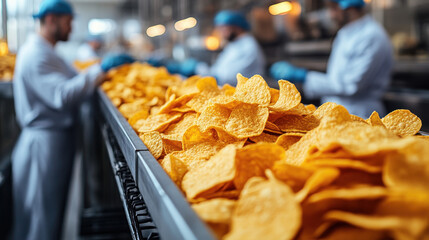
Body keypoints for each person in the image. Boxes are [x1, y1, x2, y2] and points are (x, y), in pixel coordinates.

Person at [12, 1, 134, 239]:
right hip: (43, 146)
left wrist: (99, 70)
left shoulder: (47, 51)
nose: (71, 28)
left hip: (55, 141)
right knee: (41, 220)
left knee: (51, 214)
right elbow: (61, 95)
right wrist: (101, 70)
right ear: (51, 20)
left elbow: (71, 80)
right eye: (68, 22)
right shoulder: (36, 54)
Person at [270, 0, 393, 118]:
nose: (331, 15)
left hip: (359, 113)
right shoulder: (345, 32)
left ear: (349, 6)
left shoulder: (372, 36)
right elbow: (336, 78)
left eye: (333, 9)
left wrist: (304, 76)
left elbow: (350, 86)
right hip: (335, 110)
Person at [172, 10, 266, 86]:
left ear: (236, 27)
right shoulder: (234, 44)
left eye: (223, 28)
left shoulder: (247, 46)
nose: (220, 33)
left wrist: (198, 69)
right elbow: (219, 70)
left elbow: (228, 78)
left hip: (240, 97)